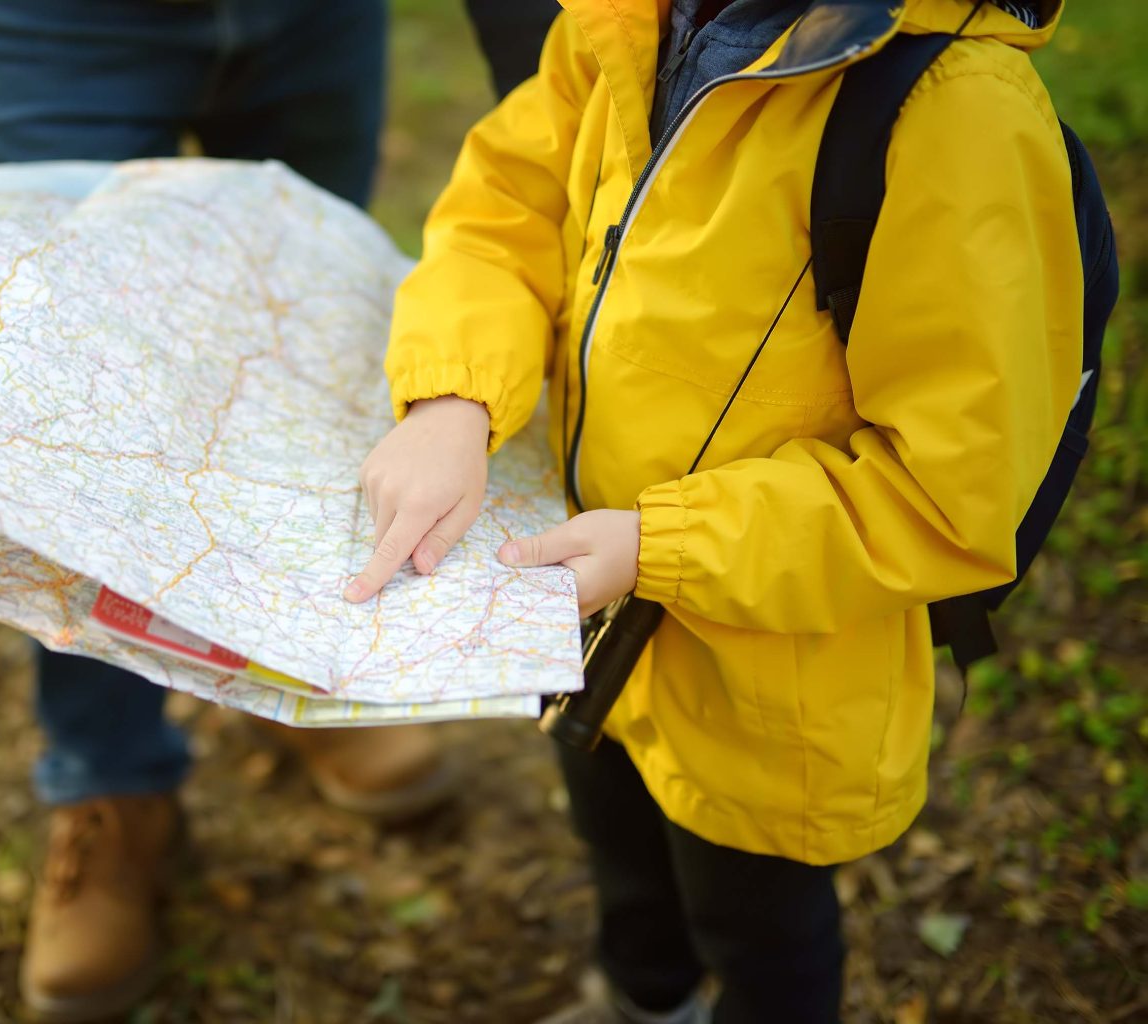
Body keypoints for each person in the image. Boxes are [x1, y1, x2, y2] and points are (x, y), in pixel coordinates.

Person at [0, 0, 559, 1020]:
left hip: (320, 23)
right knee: (57, 407)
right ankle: (110, 787)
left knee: (305, 344)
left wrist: (561, 76)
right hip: (43, 28)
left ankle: (285, 670)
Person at [348, 1, 1079, 1021]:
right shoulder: (622, 21)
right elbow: (505, 207)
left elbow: (950, 491)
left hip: (774, 672)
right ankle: (643, 999)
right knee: (616, 842)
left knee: (757, 923)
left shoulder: (954, 113)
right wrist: (453, 397)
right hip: (593, 612)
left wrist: (661, 546)